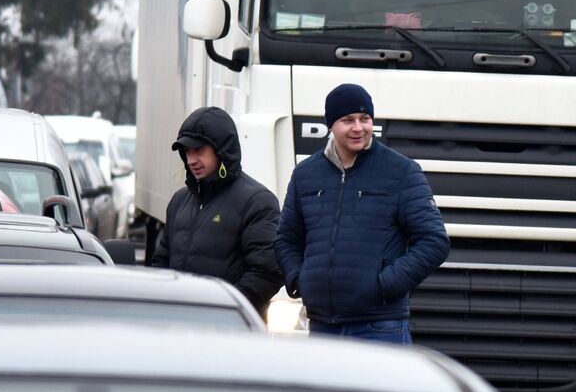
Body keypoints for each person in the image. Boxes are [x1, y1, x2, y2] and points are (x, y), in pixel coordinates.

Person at [275, 83, 449, 343]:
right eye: (348, 120)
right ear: (331, 125)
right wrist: (301, 280)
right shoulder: (305, 174)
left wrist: (385, 285)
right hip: (323, 328)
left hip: (380, 327)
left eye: (364, 119)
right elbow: (286, 239)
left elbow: (434, 241)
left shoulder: (401, 171)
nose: (359, 128)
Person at [147, 106, 285, 318]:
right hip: (177, 328)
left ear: (222, 150)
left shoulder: (256, 201)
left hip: (230, 335)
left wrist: (226, 312)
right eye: (187, 152)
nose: (191, 159)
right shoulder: (179, 201)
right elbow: (161, 263)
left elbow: (267, 272)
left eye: (199, 150)